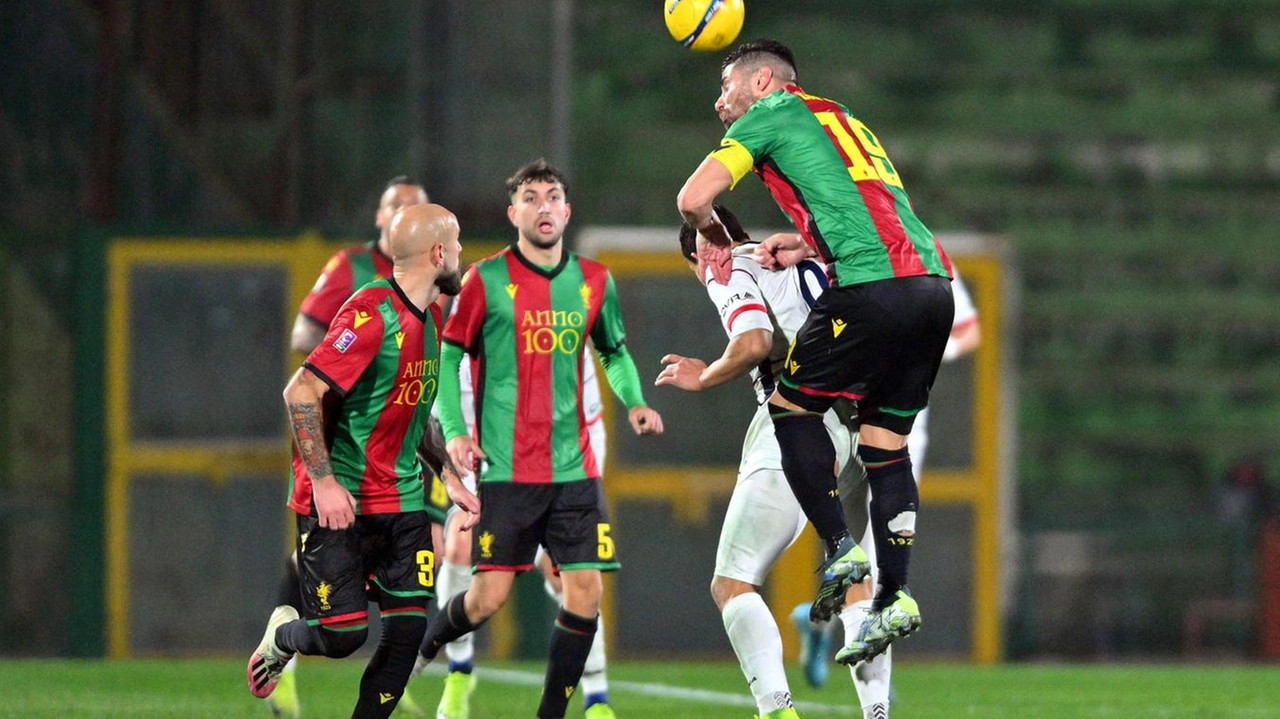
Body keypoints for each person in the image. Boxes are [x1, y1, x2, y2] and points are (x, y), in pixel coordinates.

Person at [675, 39, 955, 665]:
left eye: (728, 88)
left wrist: (715, 237)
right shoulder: (846, 117)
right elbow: (867, 207)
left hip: (871, 286)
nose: (721, 103)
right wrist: (807, 247)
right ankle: (898, 594)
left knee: (791, 409)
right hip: (932, 286)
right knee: (886, 444)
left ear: (765, 83)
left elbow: (693, 199)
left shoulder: (772, 115)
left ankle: (839, 547)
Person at [414, 159, 663, 719]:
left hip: (574, 469)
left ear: (567, 211)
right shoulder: (483, 280)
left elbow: (615, 352)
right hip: (505, 469)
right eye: (531, 197)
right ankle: (431, 644)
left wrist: (637, 402)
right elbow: (450, 353)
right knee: (486, 600)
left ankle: (555, 712)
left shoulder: (594, 281)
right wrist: (454, 432)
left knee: (585, 593)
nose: (543, 205)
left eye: (553, 196)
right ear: (513, 213)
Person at [655, 205, 889, 719]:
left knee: (732, 581)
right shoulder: (805, 258)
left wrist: (706, 375)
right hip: (868, 421)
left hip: (800, 417)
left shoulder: (727, 261)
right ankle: (877, 713)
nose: (708, 267)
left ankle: (777, 710)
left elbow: (753, 342)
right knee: (858, 585)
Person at [247, 203, 479, 719]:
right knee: (343, 634)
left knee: (406, 630)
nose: (463, 254)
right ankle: (284, 636)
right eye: (458, 244)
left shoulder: (433, 317)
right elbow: (301, 390)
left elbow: (410, 411)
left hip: (403, 500)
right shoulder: (370, 314)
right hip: (342, 501)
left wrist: (447, 474)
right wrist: (324, 484)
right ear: (439, 253)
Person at [791, 269, 979, 701]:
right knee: (853, 544)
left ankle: (829, 631)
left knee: (885, 546)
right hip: (849, 420)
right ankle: (851, 647)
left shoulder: (934, 265)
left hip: (903, 428)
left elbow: (970, 333)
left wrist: (926, 346)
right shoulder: (855, 254)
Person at [423, 343, 618, 719]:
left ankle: (597, 699)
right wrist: (462, 493)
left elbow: (590, 427)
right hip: (488, 476)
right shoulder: (462, 351)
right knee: (460, 549)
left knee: (572, 577)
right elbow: (438, 429)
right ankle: (459, 673)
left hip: (563, 472)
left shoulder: (564, 344)